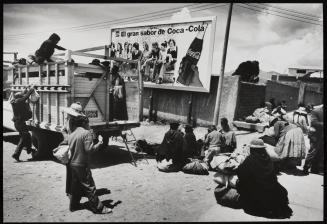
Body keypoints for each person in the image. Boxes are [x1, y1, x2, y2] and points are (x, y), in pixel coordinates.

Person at [63, 103, 112, 214]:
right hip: (81, 164)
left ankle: (74, 205)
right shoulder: (86, 133)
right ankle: (99, 208)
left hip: (72, 163)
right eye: (88, 123)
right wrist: (99, 143)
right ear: (85, 123)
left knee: (75, 187)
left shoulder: (72, 133)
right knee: (90, 186)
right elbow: (89, 150)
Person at [236, 138, 292, 218]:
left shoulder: (250, 160)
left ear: (252, 149)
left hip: (258, 194)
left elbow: (240, 173)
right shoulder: (268, 159)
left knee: (240, 184)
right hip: (272, 190)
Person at [10, 85, 36, 162]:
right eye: (21, 96)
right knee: (24, 138)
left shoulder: (15, 101)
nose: (22, 96)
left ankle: (29, 150)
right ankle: (16, 154)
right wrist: (31, 89)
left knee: (26, 136)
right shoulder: (19, 101)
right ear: (19, 97)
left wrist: (26, 88)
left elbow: (22, 94)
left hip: (17, 123)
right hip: (20, 123)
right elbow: (26, 96)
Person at [303, 105, 324, 175]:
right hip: (315, 136)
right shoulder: (316, 111)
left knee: (320, 153)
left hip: (322, 136)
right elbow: (314, 122)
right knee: (312, 152)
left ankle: (314, 169)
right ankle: (306, 167)